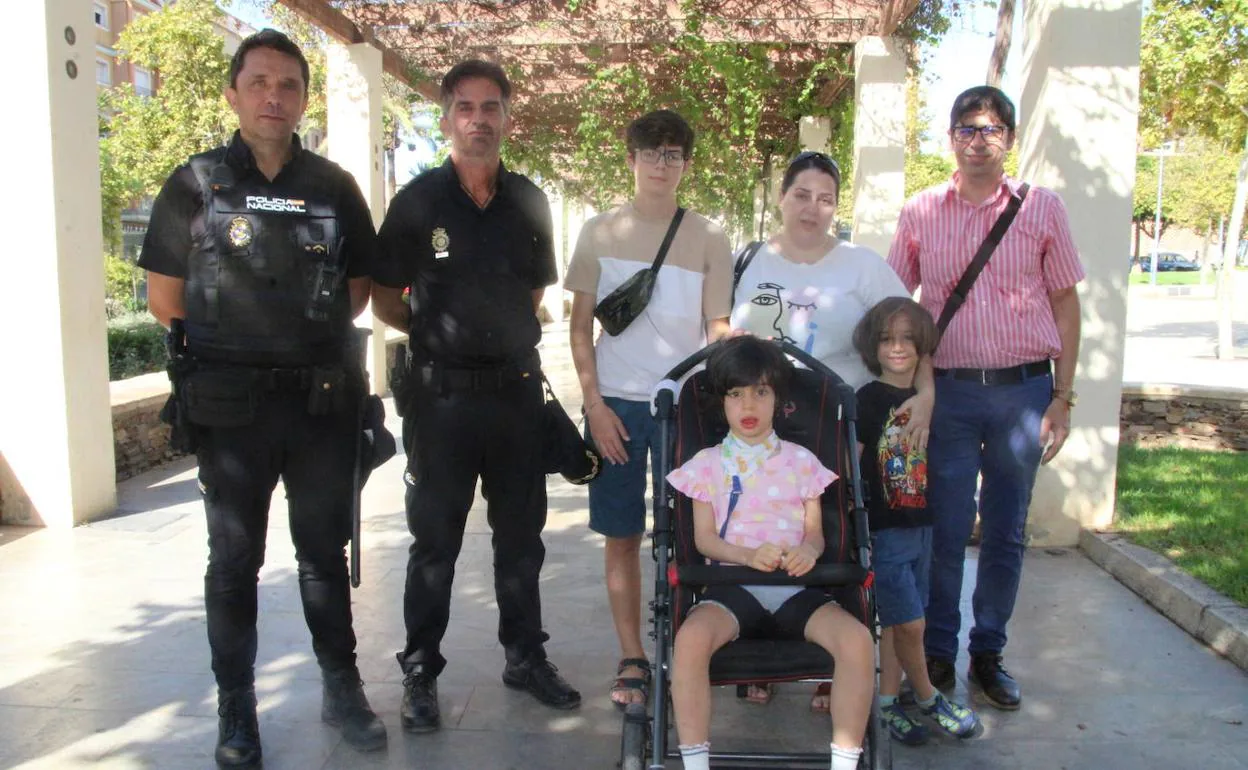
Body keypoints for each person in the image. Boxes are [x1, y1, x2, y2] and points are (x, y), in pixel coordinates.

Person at [139, 29, 386, 768]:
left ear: (304, 98)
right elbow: (164, 298)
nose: (274, 97)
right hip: (231, 411)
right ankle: (236, 708)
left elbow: (357, 291)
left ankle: (341, 690)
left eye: (288, 85)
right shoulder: (195, 182)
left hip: (318, 407)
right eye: (259, 83)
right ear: (234, 94)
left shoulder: (334, 186)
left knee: (322, 555)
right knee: (234, 561)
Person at [370, 59, 580, 734]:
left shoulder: (529, 201)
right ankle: (420, 671)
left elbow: (534, 293)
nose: (480, 120)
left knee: (521, 542)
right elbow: (382, 298)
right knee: (435, 544)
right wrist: (437, 334)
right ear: (447, 117)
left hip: (516, 398)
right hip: (441, 402)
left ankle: (525, 658)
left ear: (506, 118)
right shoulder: (417, 203)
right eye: (467, 108)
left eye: (492, 108)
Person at [887, 85, 1084, 710]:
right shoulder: (920, 211)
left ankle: (989, 653)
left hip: (1024, 395)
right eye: (968, 129)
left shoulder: (1042, 208)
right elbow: (897, 304)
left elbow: (1065, 303)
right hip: (947, 395)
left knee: (1005, 530)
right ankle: (939, 653)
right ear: (951, 138)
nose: (979, 140)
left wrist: (1064, 396)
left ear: (1010, 139)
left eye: (992, 129)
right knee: (943, 530)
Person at [729, 150, 935, 710]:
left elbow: (912, 332)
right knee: (759, 531)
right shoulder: (747, 261)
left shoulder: (862, 266)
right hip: (760, 428)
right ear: (781, 196)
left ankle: (833, 663)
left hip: (838, 427)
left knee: (838, 537)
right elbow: (720, 337)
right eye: (802, 195)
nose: (812, 209)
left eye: (825, 199)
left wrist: (927, 393)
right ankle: (759, 654)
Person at [564, 109, 733, 709]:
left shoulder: (710, 237)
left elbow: (717, 328)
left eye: (674, 154)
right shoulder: (599, 233)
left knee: (691, 534)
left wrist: (719, 397)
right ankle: (633, 655)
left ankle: (691, 644)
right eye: (652, 153)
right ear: (630, 159)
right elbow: (580, 329)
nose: (663, 164)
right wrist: (594, 406)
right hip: (613, 406)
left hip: (684, 408)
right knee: (620, 534)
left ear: (686, 164)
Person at [665, 337, 874, 770]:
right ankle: (695, 763)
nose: (749, 404)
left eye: (761, 391)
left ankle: (845, 762)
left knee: (857, 641)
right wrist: (746, 556)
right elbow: (704, 541)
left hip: (798, 588)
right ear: (721, 402)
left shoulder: (802, 460)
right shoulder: (705, 464)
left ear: (777, 399)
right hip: (733, 586)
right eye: (736, 393)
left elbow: (815, 535)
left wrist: (807, 552)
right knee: (687, 642)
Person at [850, 298, 979, 745]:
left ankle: (887, 704)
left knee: (905, 620)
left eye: (907, 339)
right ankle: (927, 698)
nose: (897, 348)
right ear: (872, 347)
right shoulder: (866, 400)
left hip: (923, 525)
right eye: (887, 340)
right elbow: (854, 463)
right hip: (883, 531)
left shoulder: (928, 400)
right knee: (910, 624)